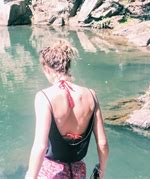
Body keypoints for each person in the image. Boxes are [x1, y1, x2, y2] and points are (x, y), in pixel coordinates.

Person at [25, 40, 109, 179]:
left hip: (51, 172)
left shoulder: (44, 97)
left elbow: (40, 146)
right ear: (68, 66)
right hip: (77, 171)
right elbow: (103, 143)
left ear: (47, 69)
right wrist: (101, 171)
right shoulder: (91, 95)